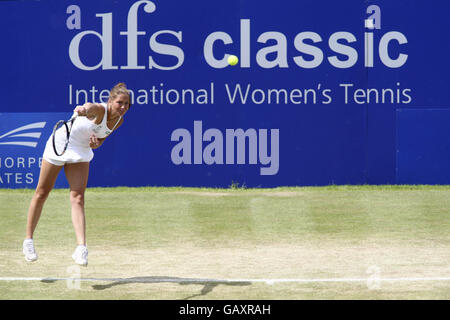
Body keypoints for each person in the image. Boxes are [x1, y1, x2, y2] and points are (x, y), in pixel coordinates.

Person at [22, 83, 131, 266]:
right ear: (110, 100)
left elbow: (101, 139)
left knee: (78, 197)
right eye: (120, 102)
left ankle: (81, 248)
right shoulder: (98, 109)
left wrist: (96, 144)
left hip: (81, 149)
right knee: (42, 192)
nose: (123, 107)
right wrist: (82, 109)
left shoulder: (119, 120)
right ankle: (28, 241)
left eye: (127, 104)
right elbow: (89, 107)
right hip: (62, 141)